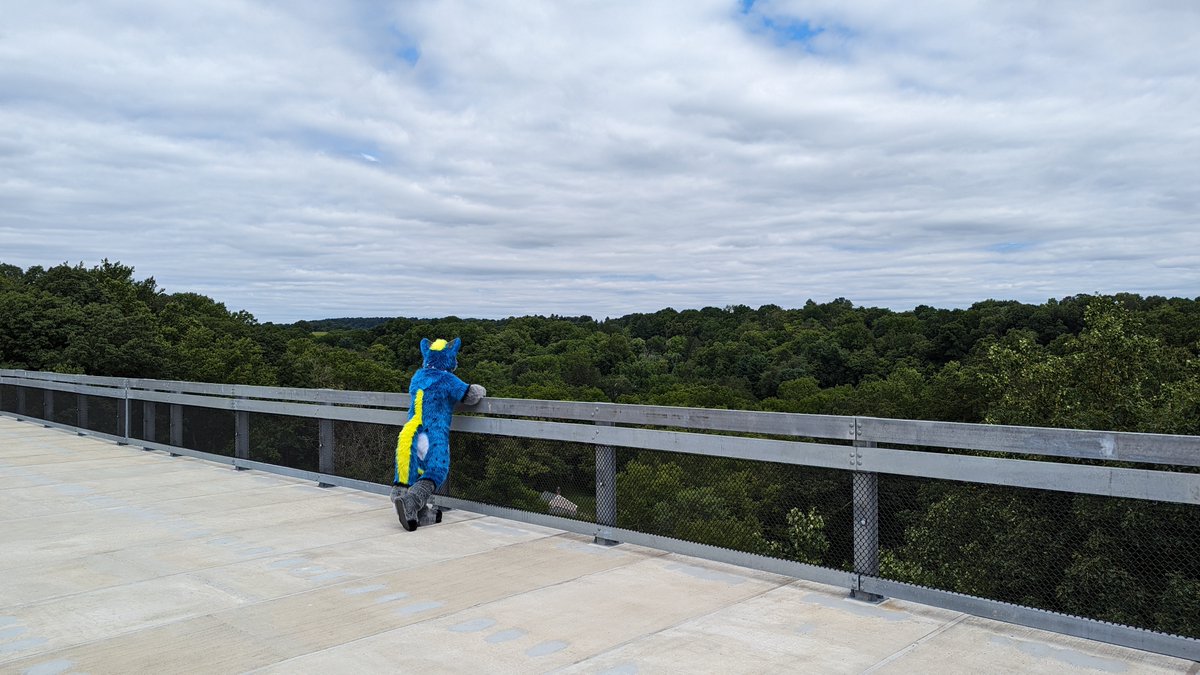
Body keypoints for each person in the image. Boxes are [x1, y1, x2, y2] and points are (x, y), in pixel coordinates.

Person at [390, 337, 486, 531]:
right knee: (436, 470)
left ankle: (420, 514)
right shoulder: (446, 379)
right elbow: (470, 395)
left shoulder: (417, 377)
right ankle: (411, 502)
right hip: (433, 433)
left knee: (417, 471)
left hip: (411, 432)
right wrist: (481, 389)